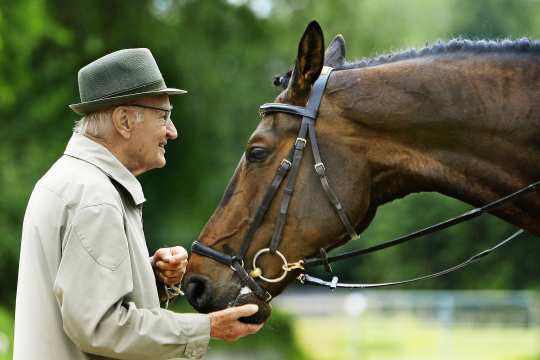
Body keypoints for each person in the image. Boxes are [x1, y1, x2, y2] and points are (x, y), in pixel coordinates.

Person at [13, 48, 263, 360]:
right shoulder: (95, 197)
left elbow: (79, 299)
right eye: (164, 117)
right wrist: (205, 328)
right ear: (124, 121)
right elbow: (100, 326)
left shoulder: (71, 180)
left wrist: (152, 277)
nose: (172, 132)